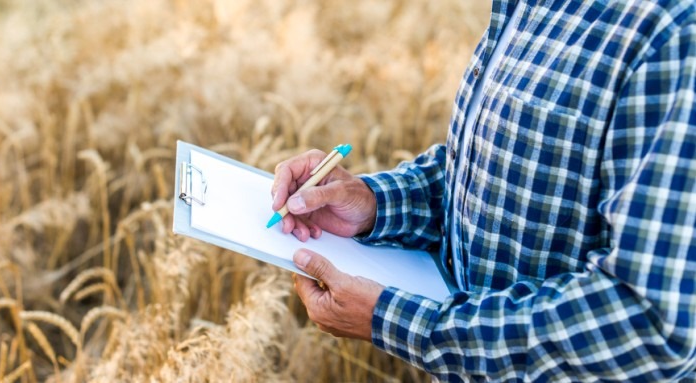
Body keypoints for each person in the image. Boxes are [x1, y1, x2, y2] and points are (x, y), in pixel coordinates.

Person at [271, 0, 696, 381]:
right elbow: (498, 171)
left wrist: (404, 324)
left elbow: (652, 323)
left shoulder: (674, 33)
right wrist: (375, 203)